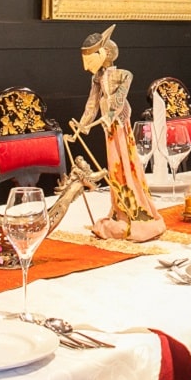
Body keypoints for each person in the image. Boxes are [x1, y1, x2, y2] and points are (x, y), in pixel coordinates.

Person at [69, 26, 161, 241]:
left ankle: (133, 210)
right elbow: (92, 104)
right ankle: (121, 210)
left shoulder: (123, 75)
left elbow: (119, 101)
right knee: (115, 165)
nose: (87, 66)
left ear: (105, 53)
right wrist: (82, 126)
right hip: (108, 127)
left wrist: (109, 115)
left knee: (123, 162)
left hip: (119, 125)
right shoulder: (97, 78)